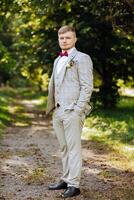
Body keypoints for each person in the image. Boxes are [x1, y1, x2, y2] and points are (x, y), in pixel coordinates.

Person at [46, 25, 93, 198]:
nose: (64, 40)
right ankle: (66, 179)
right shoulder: (57, 60)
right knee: (64, 147)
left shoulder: (82, 58)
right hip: (58, 111)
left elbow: (87, 87)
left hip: (73, 111)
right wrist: (53, 108)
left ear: (75, 39)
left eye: (67, 38)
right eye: (61, 38)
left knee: (74, 148)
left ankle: (74, 185)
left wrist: (78, 110)